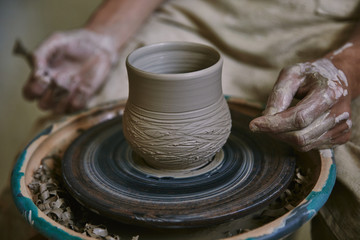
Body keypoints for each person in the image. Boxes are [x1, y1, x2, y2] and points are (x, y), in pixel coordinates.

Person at [11, 0, 360, 239]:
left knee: (348, 176)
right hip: (194, 16)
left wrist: (344, 70)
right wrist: (103, 36)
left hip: (329, 29)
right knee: (57, 148)